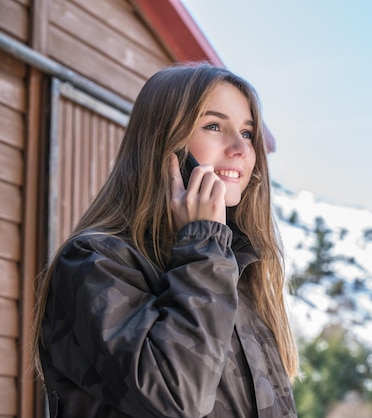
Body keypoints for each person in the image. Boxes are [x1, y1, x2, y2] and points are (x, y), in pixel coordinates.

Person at [32, 62, 299, 417]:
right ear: (165, 143)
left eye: (248, 133)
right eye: (214, 126)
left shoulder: (236, 270)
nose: (240, 148)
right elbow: (178, 398)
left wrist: (210, 251)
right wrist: (204, 245)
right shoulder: (94, 262)